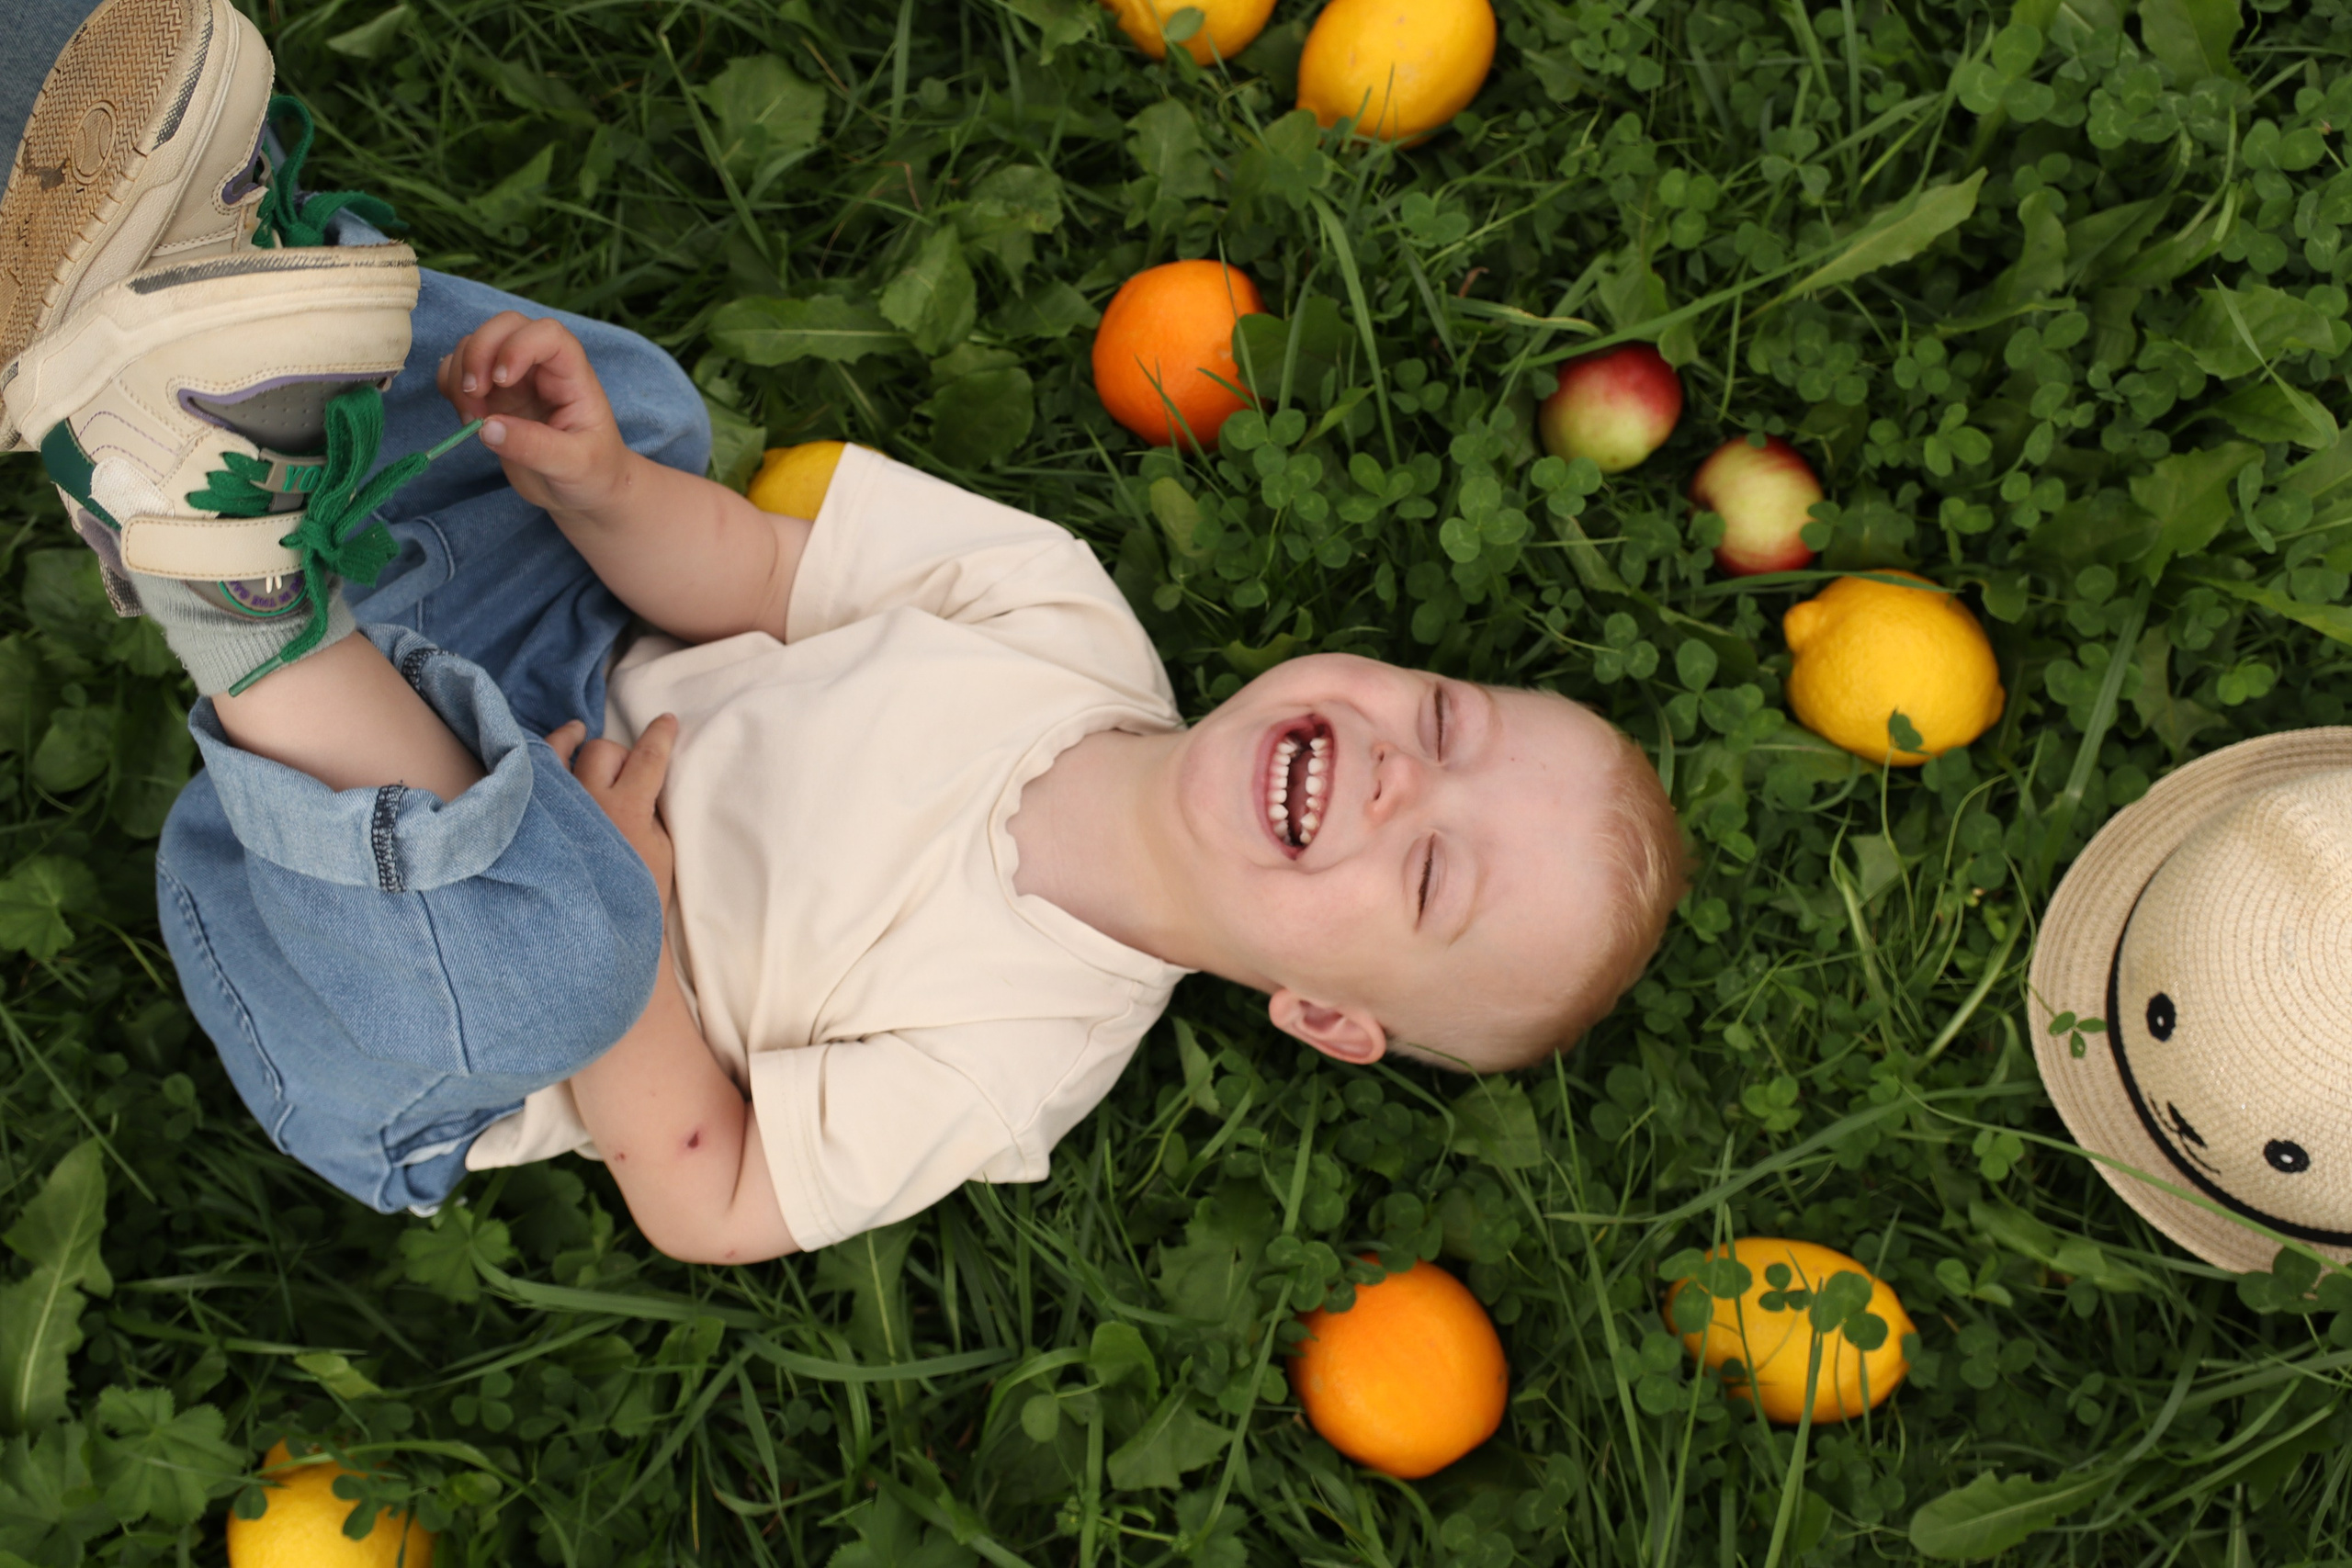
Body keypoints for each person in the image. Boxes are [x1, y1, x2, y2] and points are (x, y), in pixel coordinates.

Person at [1, 0, 1685, 1263]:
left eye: (1429, 876)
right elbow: (739, 569)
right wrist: (594, 493)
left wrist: (639, 926)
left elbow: (709, 1190)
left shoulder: (1022, 1056)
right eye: (1449, 723)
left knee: (555, 954)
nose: (1399, 779)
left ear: (1325, 1015)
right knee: (644, 425)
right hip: (535, 677)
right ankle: (208, 287)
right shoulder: (1063, 615)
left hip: (404, 983)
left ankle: (232, 574)